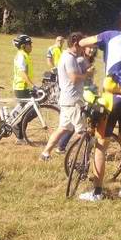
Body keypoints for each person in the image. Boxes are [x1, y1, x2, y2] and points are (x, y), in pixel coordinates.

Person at [77, 10, 121, 201]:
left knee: (101, 145)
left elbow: (84, 43)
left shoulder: (111, 36)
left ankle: (97, 192)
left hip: (110, 99)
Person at [40, 32, 93, 161]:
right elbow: (74, 78)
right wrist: (87, 74)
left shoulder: (72, 56)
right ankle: (85, 159)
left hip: (67, 99)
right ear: (75, 44)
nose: (84, 48)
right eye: (82, 45)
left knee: (63, 128)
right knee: (83, 133)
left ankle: (45, 154)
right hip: (73, 101)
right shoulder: (69, 58)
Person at [11, 34, 35, 143]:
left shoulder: (25, 55)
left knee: (27, 110)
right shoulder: (21, 55)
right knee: (31, 110)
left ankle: (18, 129)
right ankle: (17, 129)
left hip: (23, 87)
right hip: (21, 87)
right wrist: (32, 85)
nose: (31, 46)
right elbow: (22, 72)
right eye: (29, 44)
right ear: (23, 46)